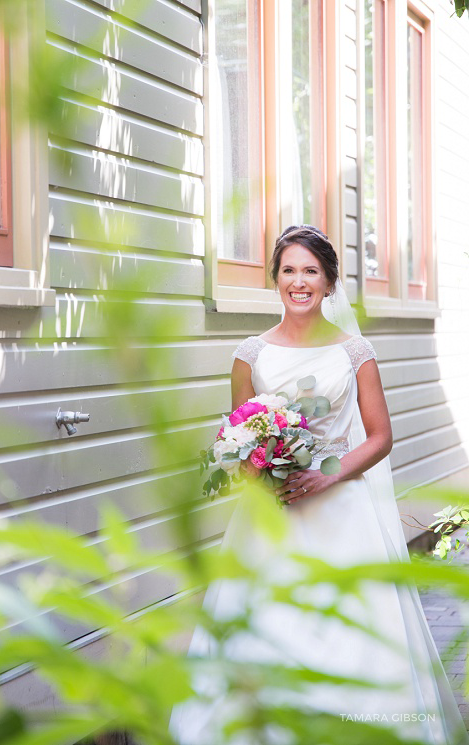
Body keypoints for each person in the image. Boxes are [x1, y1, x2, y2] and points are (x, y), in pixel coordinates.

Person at [169, 225, 468, 743]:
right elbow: (237, 433)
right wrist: (258, 471)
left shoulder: (355, 352)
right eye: (289, 270)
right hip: (270, 515)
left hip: (340, 509)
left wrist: (325, 475)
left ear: (329, 283)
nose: (299, 282)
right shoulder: (250, 354)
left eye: (311, 271)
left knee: (349, 626)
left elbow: (380, 438)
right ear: (275, 279)